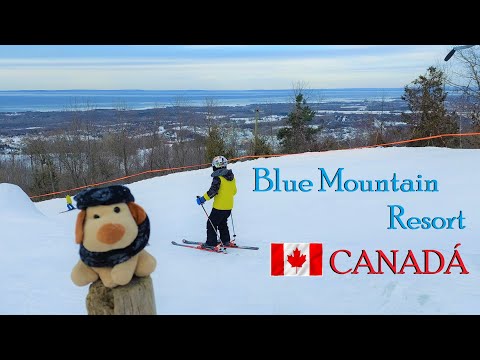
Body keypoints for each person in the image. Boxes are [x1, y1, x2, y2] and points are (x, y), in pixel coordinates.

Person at [196, 155, 237, 250]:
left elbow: (212, 192)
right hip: (229, 207)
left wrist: (202, 199)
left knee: (211, 224)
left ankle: (211, 243)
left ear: (215, 166)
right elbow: (234, 191)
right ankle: (225, 240)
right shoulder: (231, 178)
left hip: (219, 207)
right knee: (223, 223)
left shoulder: (218, 178)